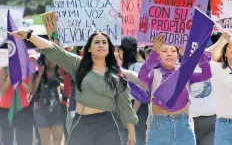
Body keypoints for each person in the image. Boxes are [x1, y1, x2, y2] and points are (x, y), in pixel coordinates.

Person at [10, 30, 138, 145]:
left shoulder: (116, 74)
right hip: (83, 122)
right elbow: (55, 50)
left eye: (104, 42)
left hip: (108, 125)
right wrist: (29, 35)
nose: (101, 45)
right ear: (88, 48)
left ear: (109, 48)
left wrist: (131, 132)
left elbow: (124, 104)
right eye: (97, 42)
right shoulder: (78, 64)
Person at [138, 35, 212, 145]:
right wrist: (154, 53)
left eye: (173, 50)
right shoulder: (155, 73)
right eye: (164, 50)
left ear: (178, 55)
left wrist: (198, 54)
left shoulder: (185, 73)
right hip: (159, 127)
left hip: (183, 126)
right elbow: (142, 76)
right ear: (159, 55)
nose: (169, 54)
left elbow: (206, 74)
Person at [33, 54, 64, 145]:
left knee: (57, 140)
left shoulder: (62, 72)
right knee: (45, 142)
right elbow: (33, 91)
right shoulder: (38, 72)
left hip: (58, 110)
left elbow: (68, 89)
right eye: (47, 58)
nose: (50, 61)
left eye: (53, 58)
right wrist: (39, 75)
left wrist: (58, 84)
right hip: (41, 110)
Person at [0, 67, 34, 145]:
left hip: (22, 107)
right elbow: (3, 90)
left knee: (23, 138)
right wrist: (10, 77)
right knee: (7, 139)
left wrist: (20, 79)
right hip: (6, 108)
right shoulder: (4, 69)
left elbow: (29, 90)